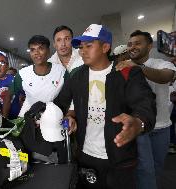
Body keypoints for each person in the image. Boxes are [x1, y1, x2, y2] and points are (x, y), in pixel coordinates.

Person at [54, 24, 156, 189]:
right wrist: (69, 116)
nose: (82, 51)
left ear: (105, 47)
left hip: (119, 157)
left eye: (89, 46)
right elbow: (61, 102)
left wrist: (138, 124)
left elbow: (146, 105)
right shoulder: (77, 76)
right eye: (81, 47)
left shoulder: (127, 73)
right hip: (85, 155)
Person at [116, 30, 176, 189]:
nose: (132, 47)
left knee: (157, 166)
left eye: (137, 43)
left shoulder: (162, 64)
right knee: (145, 169)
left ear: (149, 46)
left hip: (162, 126)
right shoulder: (123, 66)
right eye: (129, 44)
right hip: (140, 126)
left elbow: (165, 77)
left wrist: (136, 67)